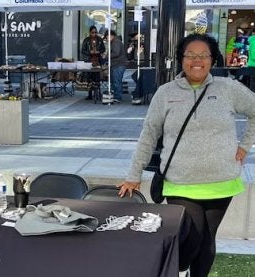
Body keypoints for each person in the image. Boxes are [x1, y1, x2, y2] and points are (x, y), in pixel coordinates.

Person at [118, 33, 255, 277]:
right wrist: (133, 174)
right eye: (190, 55)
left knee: (207, 239)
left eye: (203, 55)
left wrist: (245, 145)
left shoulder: (228, 88)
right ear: (181, 59)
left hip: (221, 181)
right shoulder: (165, 93)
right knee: (192, 237)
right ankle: (174, 268)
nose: (197, 61)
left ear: (213, 59)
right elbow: (149, 134)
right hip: (179, 181)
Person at [81, 25, 105, 100]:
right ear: (90, 32)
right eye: (92, 32)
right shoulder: (86, 40)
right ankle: (90, 94)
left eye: (95, 32)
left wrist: (99, 51)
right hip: (89, 60)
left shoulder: (100, 40)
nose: (94, 34)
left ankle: (97, 93)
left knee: (97, 77)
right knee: (89, 77)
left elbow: (103, 49)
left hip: (98, 60)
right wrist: (89, 52)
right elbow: (82, 50)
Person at [103, 30, 127, 103]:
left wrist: (106, 56)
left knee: (117, 81)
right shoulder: (115, 42)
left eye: (107, 37)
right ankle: (116, 95)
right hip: (117, 64)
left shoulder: (116, 42)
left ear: (111, 36)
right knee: (115, 81)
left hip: (118, 64)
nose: (106, 39)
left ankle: (117, 97)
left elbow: (116, 53)